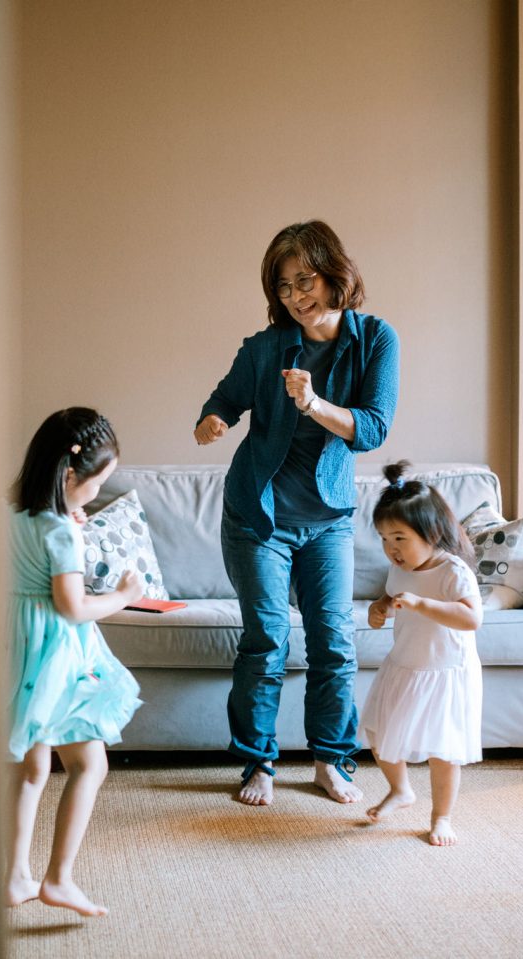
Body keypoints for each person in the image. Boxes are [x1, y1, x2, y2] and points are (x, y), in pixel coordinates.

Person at [195, 220, 399, 807]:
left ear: (336, 274)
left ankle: (331, 760)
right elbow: (226, 399)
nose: (294, 296)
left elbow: (373, 429)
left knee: (334, 640)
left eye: (304, 280)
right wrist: (214, 420)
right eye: (282, 287)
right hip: (257, 516)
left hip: (328, 517)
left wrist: (312, 403)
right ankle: (258, 764)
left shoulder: (376, 339)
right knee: (267, 638)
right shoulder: (265, 348)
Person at [4, 407, 144, 916]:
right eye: (98, 482)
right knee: (89, 763)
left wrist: (70, 521)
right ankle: (58, 879)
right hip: (57, 653)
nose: (98, 492)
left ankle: (16, 876)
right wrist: (124, 596)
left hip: (16, 646)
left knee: (31, 765)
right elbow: (73, 606)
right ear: (70, 475)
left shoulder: (11, 511)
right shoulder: (61, 531)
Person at [362, 461, 483, 846]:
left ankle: (442, 817)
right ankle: (400, 790)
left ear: (431, 532)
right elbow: (390, 593)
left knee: (443, 752)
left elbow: (470, 618)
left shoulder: (453, 571)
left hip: (444, 671)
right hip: (404, 665)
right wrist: (378, 608)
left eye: (399, 538)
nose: (391, 549)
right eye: (383, 539)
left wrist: (420, 604)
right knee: (379, 733)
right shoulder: (400, 568)